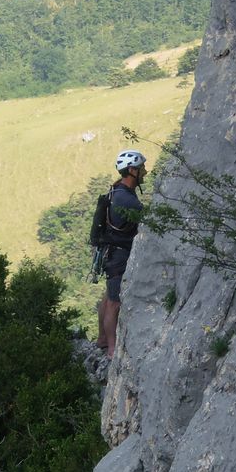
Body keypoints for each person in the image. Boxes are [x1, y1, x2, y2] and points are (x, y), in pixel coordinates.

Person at [96, 149, 147, 358]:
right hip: (118, 255)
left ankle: (102, 340)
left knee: (108, 297)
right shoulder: (128, 200)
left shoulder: (116, 191)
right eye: (142, 168)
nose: (145, 171)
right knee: (114, 302)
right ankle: (112, 349)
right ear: (132, 170)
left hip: (110, 252)